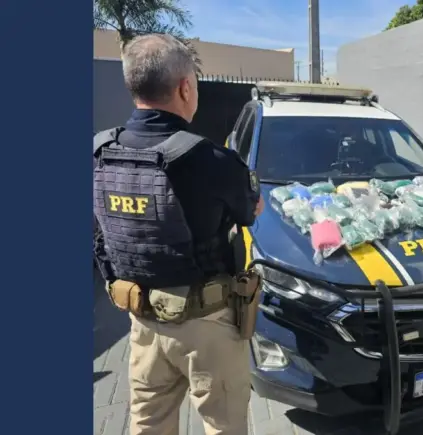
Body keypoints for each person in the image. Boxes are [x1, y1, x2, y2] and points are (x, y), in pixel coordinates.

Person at [92, 34, 263, 435]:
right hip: (208, 325)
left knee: (148, 425)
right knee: (224, 426)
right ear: (185, 87)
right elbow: (249, 213)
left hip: (142, 321)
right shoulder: (214, 160)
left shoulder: (99, 153)